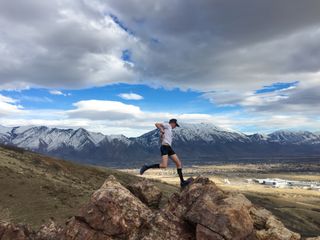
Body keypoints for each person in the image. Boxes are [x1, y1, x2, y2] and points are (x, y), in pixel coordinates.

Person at [140, 119, 191, 188]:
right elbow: (156, 124)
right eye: (175, 125)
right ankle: (146, 167)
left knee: (179, 164)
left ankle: (182, 182)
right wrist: (161, 129)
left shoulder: (168, 130)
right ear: (173, 123)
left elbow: (161, 140)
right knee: (164, 165)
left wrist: (161, 136)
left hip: (169, 148)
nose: (175, 127)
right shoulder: (168, 125)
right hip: (164, 148)